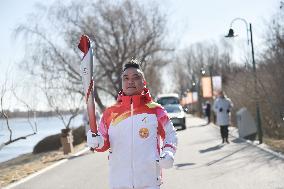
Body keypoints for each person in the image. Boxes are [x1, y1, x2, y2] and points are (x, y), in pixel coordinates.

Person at [87, 59, 177, 189]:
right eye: (126, 78)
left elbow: (170, 134)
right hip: (119, 183)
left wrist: (168, 151)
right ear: (122, 83)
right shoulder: (110, 113)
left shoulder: (156, 110)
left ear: (143, 82)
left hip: (149, 182)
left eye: (136, 77)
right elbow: (103, 143)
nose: (130, 81)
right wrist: (96, 141)